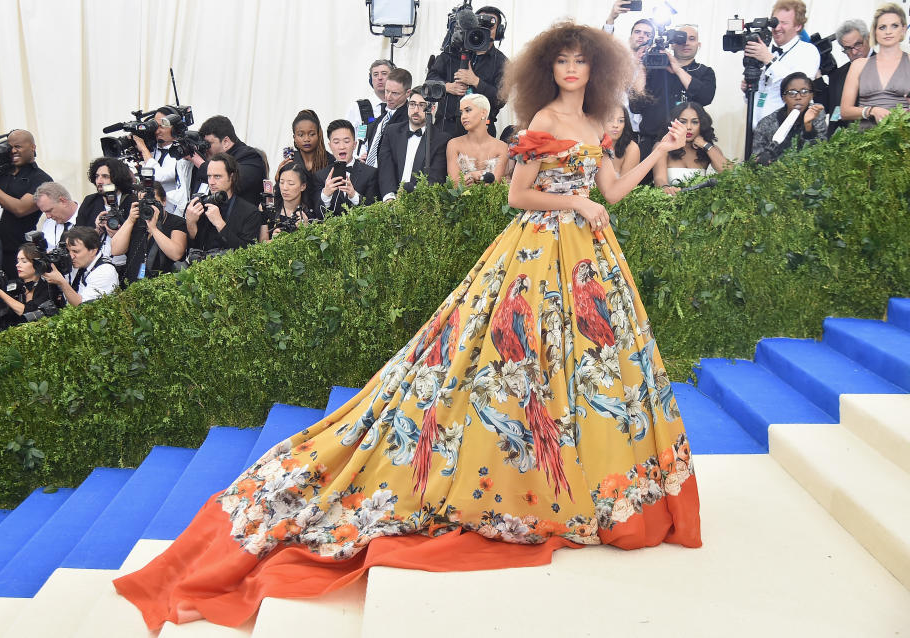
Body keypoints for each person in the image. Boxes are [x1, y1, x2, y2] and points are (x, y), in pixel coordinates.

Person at [113, 21, 700, 631]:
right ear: (548, 69)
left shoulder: (596, 122)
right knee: (516, 368)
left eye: (581, 61)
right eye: (563, 62)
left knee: (588, 371)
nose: (572, 70)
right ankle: (524, 478)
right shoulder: (545, 123)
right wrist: (575, 203)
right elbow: (518, 197)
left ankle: (588, 481)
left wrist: (656, 154)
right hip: (536, 256)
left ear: (598, 69)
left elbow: (612, 190)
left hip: (590, 263)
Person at [0, 129, 51, 279]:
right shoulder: (0, 175)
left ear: (33, 147)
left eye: (18, 147)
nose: (13, 151)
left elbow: (20, 209)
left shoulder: (41, 179)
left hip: (18, 253)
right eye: (9, 147)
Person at [630, 24, 716, 162]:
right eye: (681, 39)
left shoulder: (704, 72)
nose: (686, 43)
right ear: (672, 44)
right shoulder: (653, 69)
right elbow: (635, 106)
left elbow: (705, 97)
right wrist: (641, 67)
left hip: (687, 146)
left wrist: (677, 70)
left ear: (699, 44)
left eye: (692, 39)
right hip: (650, 143)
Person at [426, 5, 508, 138]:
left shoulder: (502, 62)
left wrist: (475, 81)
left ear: (498, 31)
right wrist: (447, 87)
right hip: (444, 130)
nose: (484, 29)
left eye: (490, 26)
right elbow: (431, 78)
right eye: (480, 23)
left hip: (481, 133)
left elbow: (500, 100)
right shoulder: (452, 51)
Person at [744, 0, 820, 129]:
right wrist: (748, 89)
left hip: (788, 132)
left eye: (784, 23)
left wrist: (769, 60)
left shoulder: (808, 51)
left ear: (798, 26)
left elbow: (796, 87)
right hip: (757, 133)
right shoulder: (766, 49)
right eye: (774, 22)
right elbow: (763, 96)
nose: (777, 27)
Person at [841, 4, 910, 130]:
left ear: (903, 30)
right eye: (882, 27)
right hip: (865, 141)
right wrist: (871, 111)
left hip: (903, 139)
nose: (888, 31)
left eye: (894, 26)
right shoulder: (858, 65)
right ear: (874, 32)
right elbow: (845, 111)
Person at [377, 85, 452, 201]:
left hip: (420, 203)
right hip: (390, 200)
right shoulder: (392, 131)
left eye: (421, 105)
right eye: (412, 104)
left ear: (432, 109)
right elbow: (386, 168)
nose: (416, 110)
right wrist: (389, 197)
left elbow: (436, 176)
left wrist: (413, 196)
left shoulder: (441, 139)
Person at [110, 181, 187, 284]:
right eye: (143, 202)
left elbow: (176, 254)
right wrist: (130, 220)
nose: (148, 206)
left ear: (164, 201)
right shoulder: (134, 222)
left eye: (152, 202)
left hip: (164, 287)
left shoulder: (176, 222)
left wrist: (154, 229)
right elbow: (116, 250)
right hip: (133, 288)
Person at [0, 241, 64, 332]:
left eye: (24, 261)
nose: (18, 265)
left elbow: (29, 314)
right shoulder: (13, 285)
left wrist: (0, 293)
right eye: (18, 261)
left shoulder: (47, 288)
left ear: (37, 264)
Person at [185, 153, 261, 253]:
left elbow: (248, 252)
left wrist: (220, 224)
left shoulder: (250, 212)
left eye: (217, 176)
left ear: (232, 177)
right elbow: (193, 247)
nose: (211, 182)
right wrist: (191, 223)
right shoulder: (201, 205)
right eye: (209, 176)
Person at [653, 102, 730, 194]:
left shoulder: (709, 149)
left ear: (702, 124)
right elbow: (659, 179)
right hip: (669, 203)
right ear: (674, 123)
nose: (689, 127)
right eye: (683, 122)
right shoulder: (663, 146)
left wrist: (704, 145)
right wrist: (667, 189)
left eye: (695, 122)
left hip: (699, 204)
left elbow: (730, 173)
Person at [752, 72, 827, 163]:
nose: (798, 97)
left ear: (811, 95)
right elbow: (755, 158)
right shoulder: (767, 123)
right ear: (783, 97)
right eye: (792, 93)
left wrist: (808, 127)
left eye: (804, 92)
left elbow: (818, 153)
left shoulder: (816, 113)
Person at [77, 157, 135, 273]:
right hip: (93, 266)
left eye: (105, 176)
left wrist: (117, 233)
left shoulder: (131, 201)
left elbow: (139, 241)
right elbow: (77, 236)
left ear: (117, 178)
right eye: (97, 176)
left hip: (124, 266)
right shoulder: (90, 201)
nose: (99, 181)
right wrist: (97, 230)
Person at [196, 115, 267, 206]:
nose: (206, 149)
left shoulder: (250, 156)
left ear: (226, 142)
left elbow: (237, 181)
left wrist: (197, 161)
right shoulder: (210, 158)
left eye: (209, 144)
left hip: (241, 218)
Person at [313, 120, 379, 216]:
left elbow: (374, 212)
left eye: (346, 141)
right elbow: (317, 216)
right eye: (336, 142)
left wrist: (354, 196)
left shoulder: (370, 173)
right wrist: (326, 195)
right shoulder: (320, 176)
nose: (342, 146)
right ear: (330, 146)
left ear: (354, 145)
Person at [132, 108, 192, 214]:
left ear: (175, 128)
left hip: (172, 214)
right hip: (147, 211)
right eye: (155, 126)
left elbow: (160, 176)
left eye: (162, 126)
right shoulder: (152, 150)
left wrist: (143, 149)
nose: (157, 131)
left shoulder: (182, 153)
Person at [42, 227, 119, 306]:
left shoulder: (104, 272)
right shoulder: (81, 264)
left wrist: (62, 282)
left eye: (76, 251)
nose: (71, 256)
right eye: (68, 251)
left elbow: (84, 308)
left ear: (93, 251)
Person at [446, 94, 509, 186]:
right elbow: (453, 184)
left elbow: (495, 185)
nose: (463, 116)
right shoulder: (454, 144)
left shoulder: (502, 147)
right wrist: (471, 175)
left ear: (483, 113)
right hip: (460, 200)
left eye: (468, 110)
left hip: (492, 200)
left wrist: (467, 179)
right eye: (461, 112)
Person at [823, 19, 872, 135]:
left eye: (858, 44)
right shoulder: (838, 74)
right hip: (844, 144)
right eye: (848, 48)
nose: (854, 52)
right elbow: (834, 110)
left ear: (869, 38)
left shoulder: (886, 65)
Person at [345, 59, 395, 157]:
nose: (379, 78)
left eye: (384, 73)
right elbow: (345, 138)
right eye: (375, 74)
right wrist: (356, 158)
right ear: (370, 79)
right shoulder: (358, 108)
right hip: (363, 164)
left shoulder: (400, 107)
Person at [363, 68, 412, 168]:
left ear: (408, 93)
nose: (388, 97)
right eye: (387, 91)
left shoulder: (408, 121)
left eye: (395, 93)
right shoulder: (381, 118)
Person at [262, 162, 315, 241]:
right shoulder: (268, 208)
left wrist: (306, 230)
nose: (284, 188)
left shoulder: (309, 213)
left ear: (303, 186)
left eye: (291, 183)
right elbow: (260, 245)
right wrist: (273, 242)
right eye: (282, 182)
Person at [282, 110, 334, 178]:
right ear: (294, 137)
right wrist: (278, 178)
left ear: (319, 135)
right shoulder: (290, 159)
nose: (306, 139)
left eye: (312, 134)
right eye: (301, 135)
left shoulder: (330, 160)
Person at [33, 182, 79, 250]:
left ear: (63, 201)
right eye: (45, 212)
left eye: (49, 210)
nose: (48, 216)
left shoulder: (90, 217)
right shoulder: (48, 223)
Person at [602, 106, 640, 177]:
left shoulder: (631, 148)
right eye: (610, 120)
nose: (615, 125)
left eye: (621, 121)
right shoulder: (591, 143)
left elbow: (625, 186)